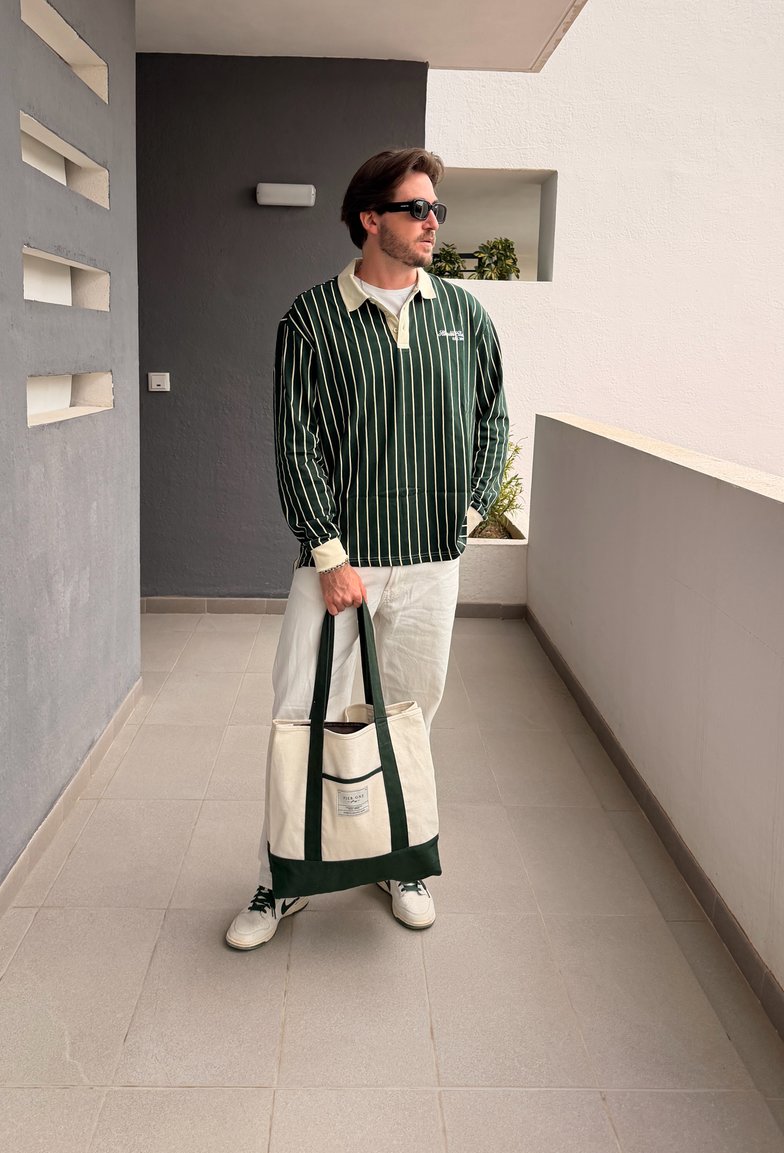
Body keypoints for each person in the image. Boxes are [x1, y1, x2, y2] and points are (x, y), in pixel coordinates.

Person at [225, 147, 508, 951]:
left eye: (436, 211)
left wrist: (468, 504)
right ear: (368, 218)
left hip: (431, 565)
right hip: (341, 567)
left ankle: (399, 857)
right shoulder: (311, 319)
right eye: (416, 209)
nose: (431, 224)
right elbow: (297, 443)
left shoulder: (465, 316)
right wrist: (328, 551)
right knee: (301, 715)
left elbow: (493, 418)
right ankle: (283, 876)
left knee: (408, 718)